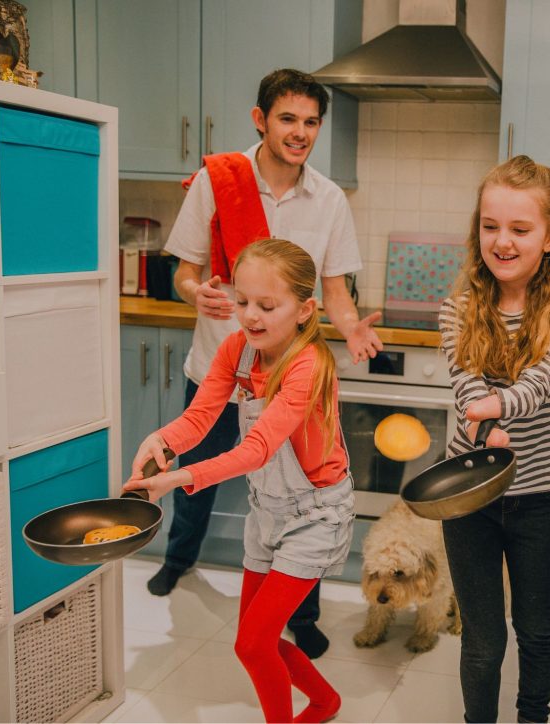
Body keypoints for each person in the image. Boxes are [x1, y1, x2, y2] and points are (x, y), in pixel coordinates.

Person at [153, 68, 382, 659]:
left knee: (297, 499)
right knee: (198, 477)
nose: (300, 132)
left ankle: (301, 614)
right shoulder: (217, 180)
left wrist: (351, 325)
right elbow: (185, 269)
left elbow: (333, 289)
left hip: (285, 382)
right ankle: (179, 561)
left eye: (310, 122)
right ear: (260, 119)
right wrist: (191, 292)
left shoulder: (329, 199)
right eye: (288, 119)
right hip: (219, 365)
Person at [125, 238, 354, 724]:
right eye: (243, 301)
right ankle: (326, 702)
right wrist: (161, 441)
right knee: (254, 644)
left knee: (252, 642)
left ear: (303, 309)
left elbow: (256, 451)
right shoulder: (237, 349)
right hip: (267, 510)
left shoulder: (307, 366)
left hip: (317, 515)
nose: (251, 316)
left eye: (267, 306)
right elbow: (199, 418)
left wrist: (181, 477)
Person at [438, 155, 550, 723]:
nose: (502, 241)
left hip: (537, 499)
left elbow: (542, 379)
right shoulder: (456, 309)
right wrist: (484, 419)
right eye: (490, 227)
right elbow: (464, 383)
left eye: (519, 229)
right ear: (477, 229)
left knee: (537, 629)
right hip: (468, 499)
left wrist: (495, 408)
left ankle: (533, 718)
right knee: (482, 641)